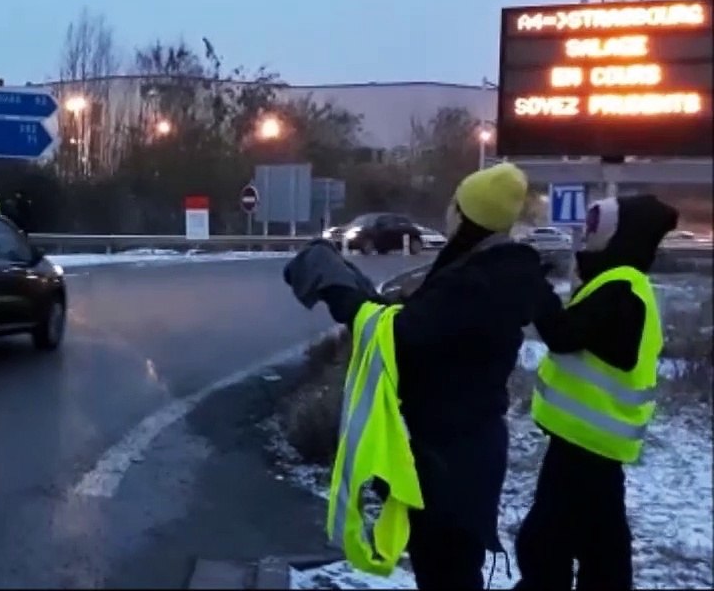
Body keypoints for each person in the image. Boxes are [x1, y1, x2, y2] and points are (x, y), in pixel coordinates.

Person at [284, 162, 560, 588]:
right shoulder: (500, 270)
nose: (448, 212)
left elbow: (400, 335)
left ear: (469, 215)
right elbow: (425, 326)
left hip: (451, 455)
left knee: (445, 570)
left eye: (456, 204)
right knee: (450, 567)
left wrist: (337, 289)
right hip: (467, 446)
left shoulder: (476, 281)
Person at [515, 195, 677, 590]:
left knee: (543, 545)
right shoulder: (622, 283)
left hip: (585, 442)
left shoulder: (620, 288)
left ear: (620, 237)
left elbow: (562, 335)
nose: (588, 237)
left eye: (597, 229)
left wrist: (534, 285)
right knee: (602, 546)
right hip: (594, 442)